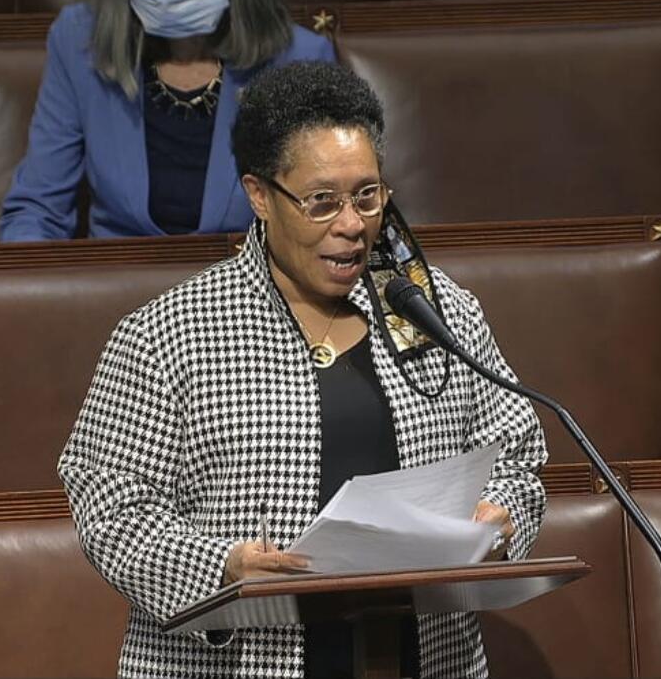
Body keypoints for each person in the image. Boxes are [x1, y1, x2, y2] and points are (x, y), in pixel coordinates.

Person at [58, 61, 547, 679]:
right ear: (260, 195)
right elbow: (111, 508)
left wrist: (500, 517)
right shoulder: (169, 334)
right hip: (243, 660)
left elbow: (517, 459)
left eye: (368, 196)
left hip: (423, 656)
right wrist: (223, 566)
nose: (351, 225)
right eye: (322, 202)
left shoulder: (433, 309)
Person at [0, 0, 336, 241]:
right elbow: (38, 210)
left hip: (246, 299)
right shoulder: (77, 41)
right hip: (118, 292)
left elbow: (321, 219)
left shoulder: (301, 58)